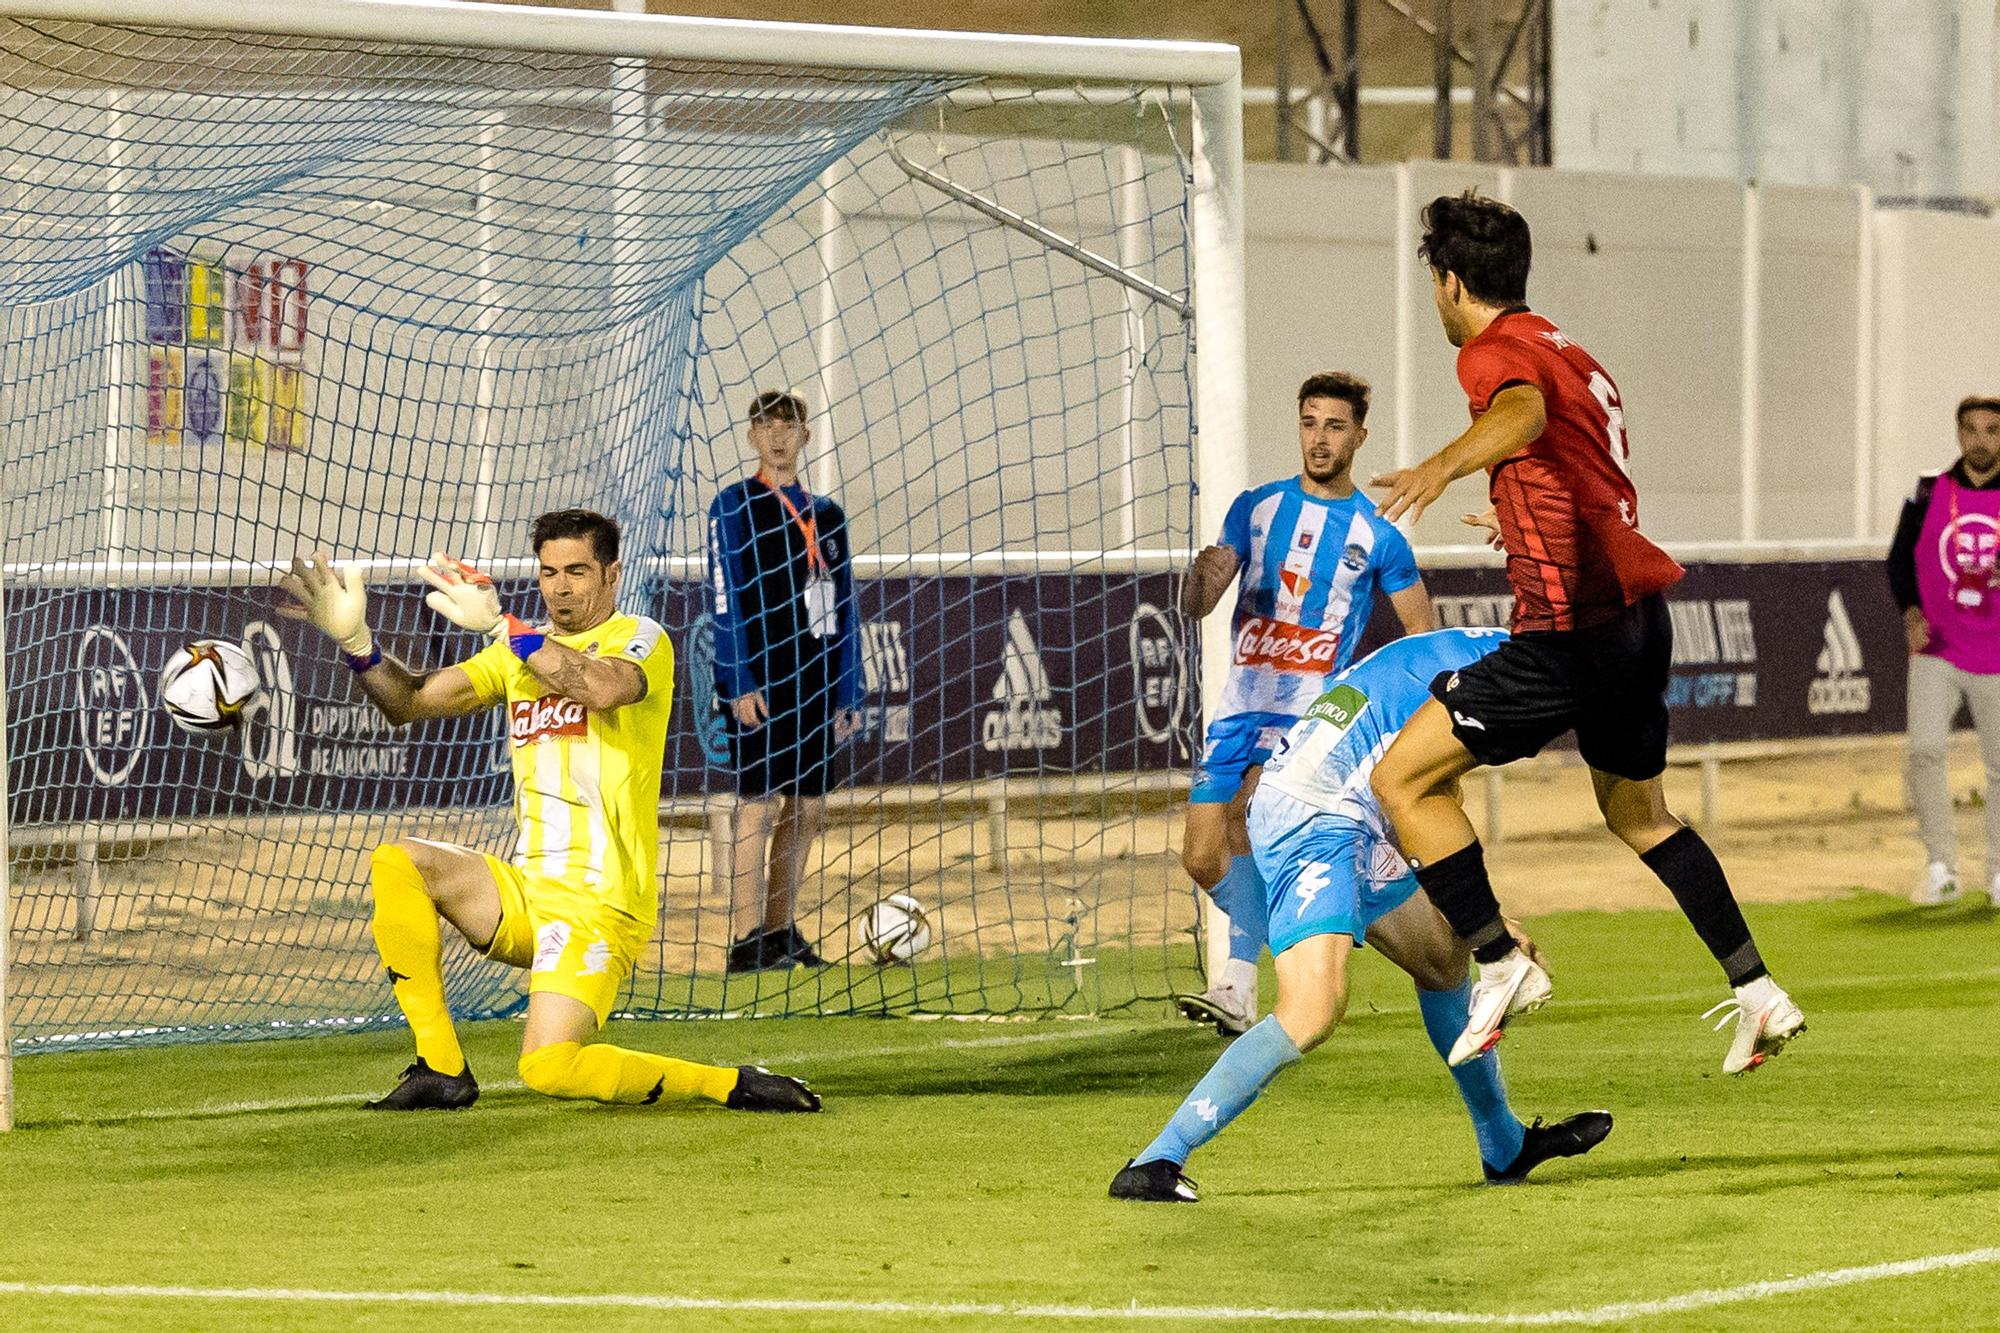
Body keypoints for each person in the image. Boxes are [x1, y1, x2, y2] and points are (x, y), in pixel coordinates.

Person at [1368, 191, 1804, 1076]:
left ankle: (1496, 960)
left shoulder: (1497, 355)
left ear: (1452, 282)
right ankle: (1759, 991)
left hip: (1567, 637)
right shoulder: (1572, 347)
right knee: (1640, 815)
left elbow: (1520, 415)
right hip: (1638, 620)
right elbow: (1574, 464)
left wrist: (1440, 464)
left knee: (1400, 779)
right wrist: (1521, 523)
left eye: (1434, 285)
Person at [279, 509, 819, 1113]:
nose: (560, 588)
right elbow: (409, 703)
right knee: (399, 861)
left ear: (611, 574)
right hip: (530, 893)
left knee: (549, 1066)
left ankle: (729, 1083)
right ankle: (441, 1067)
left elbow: (602, 688)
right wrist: (358, 646)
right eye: (549, 572)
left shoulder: (640, 638)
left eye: (577, 572)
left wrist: (507, 629)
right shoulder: (517, 652)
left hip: (599, 905)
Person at [1111, 630, 1612, 1202]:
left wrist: (1481, 932)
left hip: (1345, 812)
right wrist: (1492, 929)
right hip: (1315, 817)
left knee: (1446, 961)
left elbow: (1413, 790)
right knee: (1312, 1010)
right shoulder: (1510, 679)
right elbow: (1429, 794)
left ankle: (1504, 1148)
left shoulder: (1474, 650)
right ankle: (1156, 1161)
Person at [1176, 371, 1436, 1036]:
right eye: (1310, 422)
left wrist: (1413, 721)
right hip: (1239, 711)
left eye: (1335, 426)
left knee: (1247, 814)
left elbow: (1423, 638)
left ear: (1360, 436)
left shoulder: (1378, 536)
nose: (1319, 438)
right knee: (1204, 857)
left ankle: (1237, 985)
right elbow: (1201, 600)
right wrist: (1197, 585)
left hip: (1308, 721)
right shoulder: (1256, 508)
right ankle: (1329, 906)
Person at [708, 391, 863, 973]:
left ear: (806, 435)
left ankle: (781, 930)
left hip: (818, 678)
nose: (777, 435)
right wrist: (738, 678)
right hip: (762, 680)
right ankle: (747, 940)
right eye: (765, 425)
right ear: (752, 436)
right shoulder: (733, 505)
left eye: (788, 425)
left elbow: (846, 606)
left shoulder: (829, 516)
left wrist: (849, 691)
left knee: (809, 806)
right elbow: (725, 598)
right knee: (757, 805)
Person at [1887, 394, 2000, 907]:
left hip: (1996, 655)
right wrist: (1911, 612)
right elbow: (1899, 560)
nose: (1982, 440)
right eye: (1973, 429)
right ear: (1959, 435)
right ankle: (1940, 867)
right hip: (1936, 648)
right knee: (1925, 753)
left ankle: (1998, 872)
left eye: (1992, 430)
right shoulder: (1930, 491)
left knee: (1999, 765)